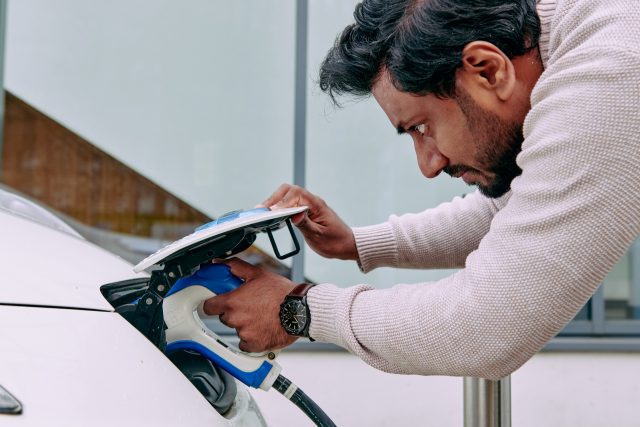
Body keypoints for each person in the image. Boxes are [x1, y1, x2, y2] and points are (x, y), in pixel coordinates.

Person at [204, 0, 640, 380]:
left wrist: (298, 310)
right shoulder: (575, 38)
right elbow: (512, 212)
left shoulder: (612, 71)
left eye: (421, 127)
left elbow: (486, 328)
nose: (428, 165)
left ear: (488, 70)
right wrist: (358, 243)